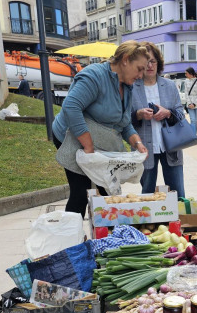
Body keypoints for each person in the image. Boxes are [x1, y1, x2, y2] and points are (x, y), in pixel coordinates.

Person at [52, 40, 149, 217]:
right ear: (126, 59)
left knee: (109, 192)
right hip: (71, 136)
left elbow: (124, 122)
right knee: (80, 192)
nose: (141, 75)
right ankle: (73, 238)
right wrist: (88, 146)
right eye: (140, 68)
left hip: (99, 141)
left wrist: (137, 142)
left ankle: (108, 237)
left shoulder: (127, 86)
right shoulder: (94, 76)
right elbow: (71, 107)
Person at [130, 42, 186, 198]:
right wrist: (138, 115)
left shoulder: (169, 85)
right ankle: (150, 222)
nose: (149, 65)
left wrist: (168, 113)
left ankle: (178, 221)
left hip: (170, 146)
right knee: (147, 193)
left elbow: (181, 114)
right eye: (146, 62)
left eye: (153, 61)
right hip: (144, 148)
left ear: (158, 63)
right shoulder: (132, 87)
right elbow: (124, 119)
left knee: (177, 192)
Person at [183, 67, 197, 133]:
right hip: (189, 104)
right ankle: (193, 135)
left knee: (196, 120)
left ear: (191, 73)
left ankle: (195, 134)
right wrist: (189, 103)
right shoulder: (186, 81)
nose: (185, 75)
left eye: (186, 73)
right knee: (193, 120)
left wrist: (194, 104)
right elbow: (186, 93)